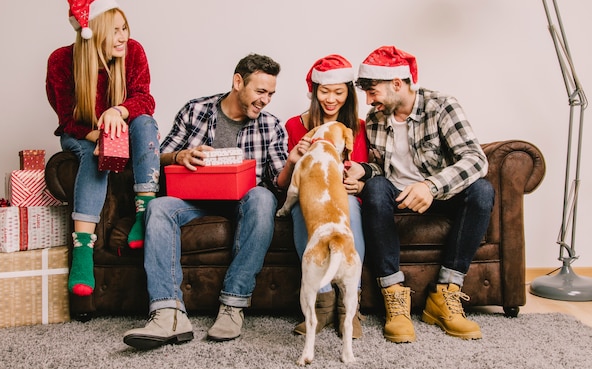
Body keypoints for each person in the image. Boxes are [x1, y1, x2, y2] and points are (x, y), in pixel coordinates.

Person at [123, 53, 289, 350]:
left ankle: (232, 305)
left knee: (264, 198)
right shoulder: (196, 110)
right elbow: (160, 154)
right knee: (159, 207)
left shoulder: (272, 126)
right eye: (260, 91)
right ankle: (167, 313)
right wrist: (179, 156)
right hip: (196, 198)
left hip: (244, 200)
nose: (266, 100)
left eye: (271, 94)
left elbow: (279, 181)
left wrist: (296, 163)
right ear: (238, 82)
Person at [346, 45, 494, 343]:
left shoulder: (442, 106)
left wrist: (431, 186)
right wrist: (365, 169)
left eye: (372, 91)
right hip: (396, 193)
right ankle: (394, 295)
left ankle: (444, 295)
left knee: (482, 190)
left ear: (397, 84)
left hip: (440, 193)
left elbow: (476, 160)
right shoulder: (376, 118)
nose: (368, 100)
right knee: (375, 187)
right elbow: (381, 167)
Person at [46, 0, 160, 297]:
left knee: (146, 122)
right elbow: (67, 119)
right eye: (115, 31)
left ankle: (143, 214)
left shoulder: (134, 52)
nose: (123, 37)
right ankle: (82, 251)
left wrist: (117, 111)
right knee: (91, 156)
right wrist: (102, 136)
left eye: (125, 28)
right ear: (93, 33)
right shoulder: (60, 61)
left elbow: (144, 99)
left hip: (123, 126)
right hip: (83, 136)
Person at [283, 54, 368, 339]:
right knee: (299, 212)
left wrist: (361, 183)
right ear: (315, 92)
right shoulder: (296, 126)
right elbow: (288, 182)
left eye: (339, 92)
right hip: (309, 196)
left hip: (342, 195)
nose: (331, 99)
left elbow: (363, 168)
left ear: (349, 94)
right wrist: (294, 159)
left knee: (352, 212)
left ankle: (349, 306)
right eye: (325, 91)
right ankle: (321, 301)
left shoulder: (357, 127)